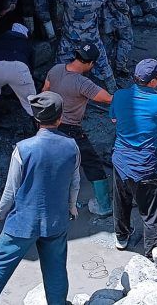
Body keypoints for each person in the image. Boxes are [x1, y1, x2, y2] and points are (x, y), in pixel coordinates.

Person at [0, 92, 79, 305]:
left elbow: (11, 188)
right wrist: (72, 207)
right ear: (60, 118)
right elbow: (75, 182)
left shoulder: (23, 148)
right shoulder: (72, 146)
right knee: (56, 270)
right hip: (56, 220)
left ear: (36, 118)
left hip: (22, 223)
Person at [109, 59, 157, 256]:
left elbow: (113, 118)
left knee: (121, 201)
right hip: (145, 166)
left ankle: (121, 237)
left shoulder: (119, 96)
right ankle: (151, 252)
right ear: (154, 81)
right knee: (151, 212)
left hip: (120, 161)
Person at [43, 44, 114, 215]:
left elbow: (44, 92)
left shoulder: (55, 69)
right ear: (90, 63)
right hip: (70, 130)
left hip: (49, 124)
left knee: (54, 163)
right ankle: (104, 206)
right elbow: (108, 99)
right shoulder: (83, 83)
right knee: (92, 164)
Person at [48, 0, 116, 90]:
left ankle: (55, 90)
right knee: (103, 64)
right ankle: (113, 91)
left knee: (60, 66)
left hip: (70, 39)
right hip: (92, 39)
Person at [0, 23, 37, 128]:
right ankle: (39, 126)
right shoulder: (27, 44)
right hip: (19, 67)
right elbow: (31, 66)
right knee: (30, 100)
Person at [95, 0, 134, 76]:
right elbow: (120, 1)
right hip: (117, 18)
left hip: (101, 20)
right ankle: (120, 67)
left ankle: (105, 68)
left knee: (106, 43)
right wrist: (126, 11)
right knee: (126, 39)